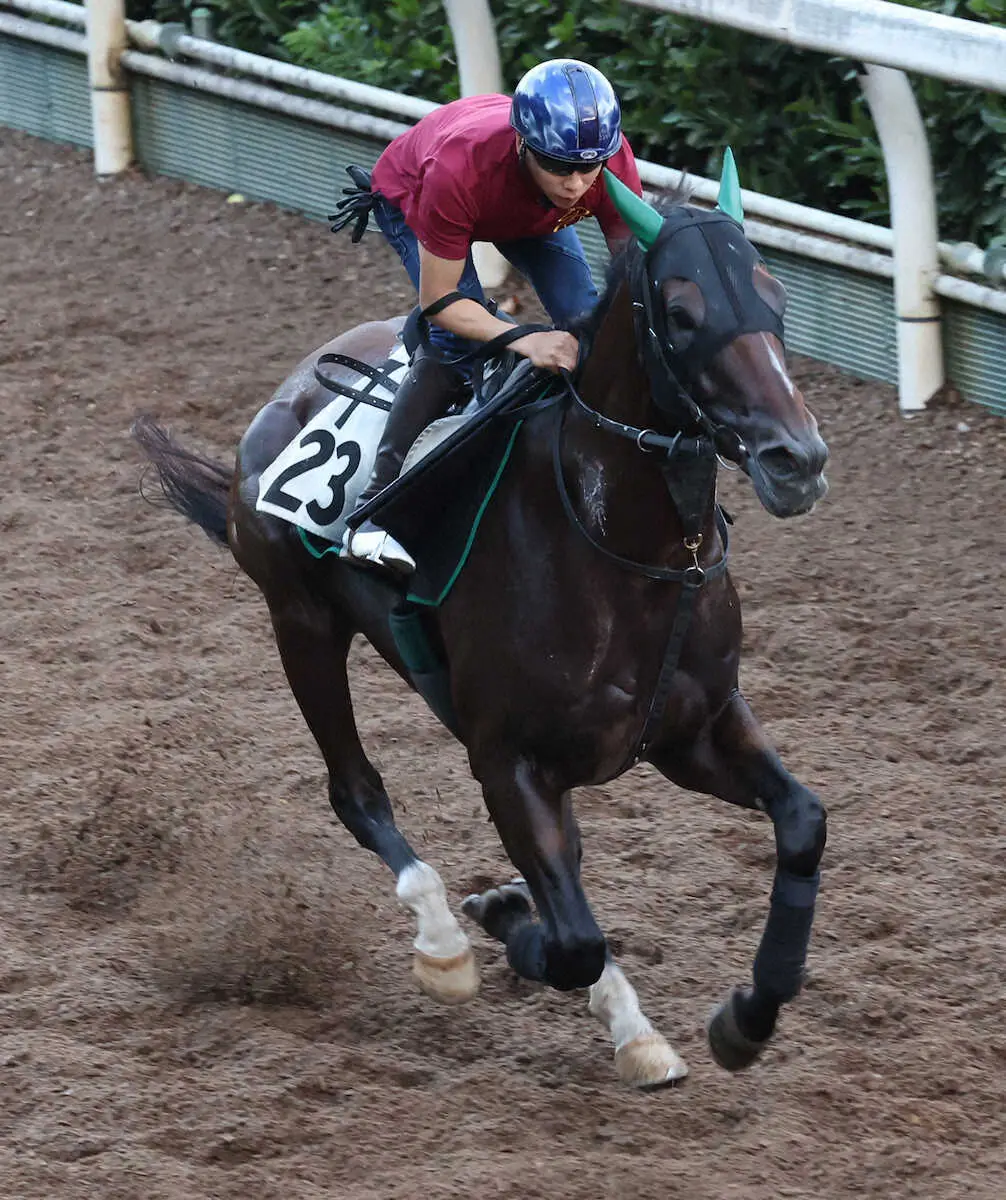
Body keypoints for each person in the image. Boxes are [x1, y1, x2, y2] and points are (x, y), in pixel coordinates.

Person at [341, 58, 644, 574]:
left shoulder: (608, 161)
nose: (574, 185)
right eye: (558, 166)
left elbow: (635, 280)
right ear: (524, 145)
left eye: (586, 169)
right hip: (418, 190)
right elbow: (439, 299)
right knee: (460, 343)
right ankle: (373, 516)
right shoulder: (459, 167)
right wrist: (524, 338)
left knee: (583, 322)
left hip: (521, 208)